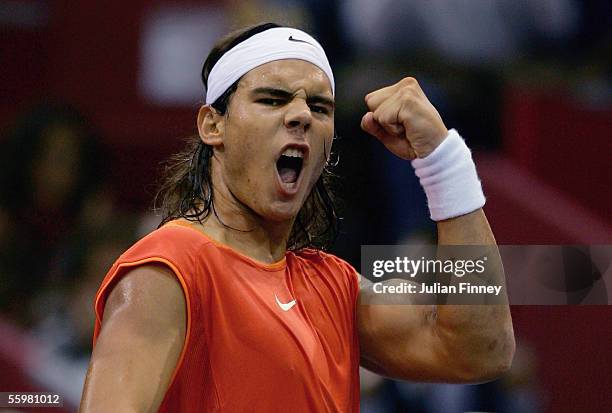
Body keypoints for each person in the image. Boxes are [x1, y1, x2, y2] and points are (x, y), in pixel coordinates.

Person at [79, 23, 515, 412]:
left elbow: (480, 350)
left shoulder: (335, 286)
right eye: (273, 99)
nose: (302, 115)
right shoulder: (166, 272)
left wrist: (445, 163)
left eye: (320, 108)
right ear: (213, 125)